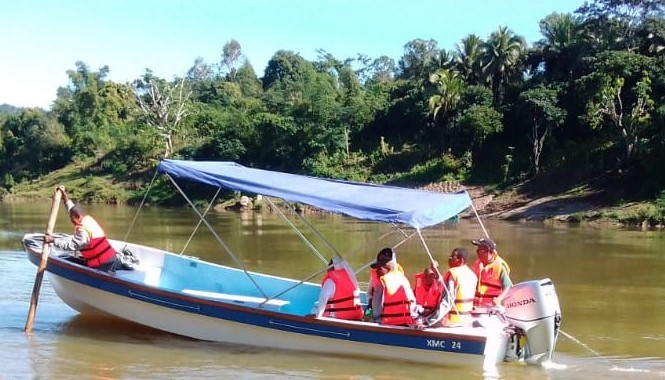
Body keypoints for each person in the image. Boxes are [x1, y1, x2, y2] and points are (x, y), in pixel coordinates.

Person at [43, 186, 119, 272]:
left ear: (78, 217)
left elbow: (73, 246)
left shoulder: (83, 230)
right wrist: (65, 198)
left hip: (103, 264)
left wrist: (53, 241)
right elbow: (72, 209)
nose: (71, 220)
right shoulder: (87, 219)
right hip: (111, 258)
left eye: (72, 218)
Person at [423, 247, 478, 327]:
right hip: (465, 320)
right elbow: (444, 286)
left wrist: (428, 321)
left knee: (419, 320)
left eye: (453, 257)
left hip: (451, 322)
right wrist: (435, 271)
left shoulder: (453, 274)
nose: (449, 258)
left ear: (461, 261)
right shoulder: (472, 275)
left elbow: (447, 302)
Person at [370, 248, 418, 326]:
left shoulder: (396, 281)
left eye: (379, 268)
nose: (376, 271)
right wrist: (369, 316)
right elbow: (371, 303)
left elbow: (412, 303)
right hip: (389, 323)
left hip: (399, 325)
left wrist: (417, 322)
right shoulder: (382, 281)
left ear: (387, 268)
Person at [311, 256, 364, 320]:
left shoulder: (330, 281)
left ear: (332, 267)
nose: (328, 266)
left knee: (308, 316)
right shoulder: (351, 279)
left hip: (337, 319)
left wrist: (318, 316)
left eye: (330, 264)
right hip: (356, 317)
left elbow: (323, 298)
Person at [471, 237, 512, 307]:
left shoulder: (500, 267)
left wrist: (499, 299)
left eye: (481, 251)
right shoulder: (478, 264)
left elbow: (508, 287)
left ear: (490, 252)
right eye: (478, 251)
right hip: (477, 305)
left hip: (492, 307)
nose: (478, 253)